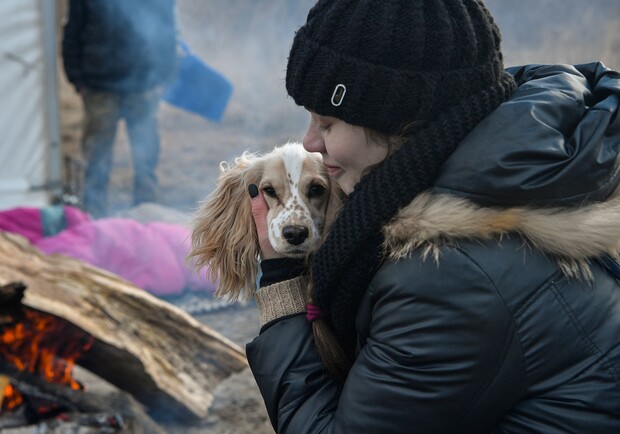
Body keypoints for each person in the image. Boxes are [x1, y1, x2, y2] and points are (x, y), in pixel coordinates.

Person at [244, 0, 620, 432]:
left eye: (327, 123)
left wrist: (281, 286)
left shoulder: (450, 272)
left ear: (399, 121)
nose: (310, 142)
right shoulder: (506, 179)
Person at [62, 0, 177, 218]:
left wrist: (163, 77)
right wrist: (77, 77)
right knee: (96, 155)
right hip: (99, 87)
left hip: (143, 85)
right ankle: (94, 215)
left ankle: (147, 213)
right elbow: (72, 32)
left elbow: (168, 32)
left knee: (146, 157)